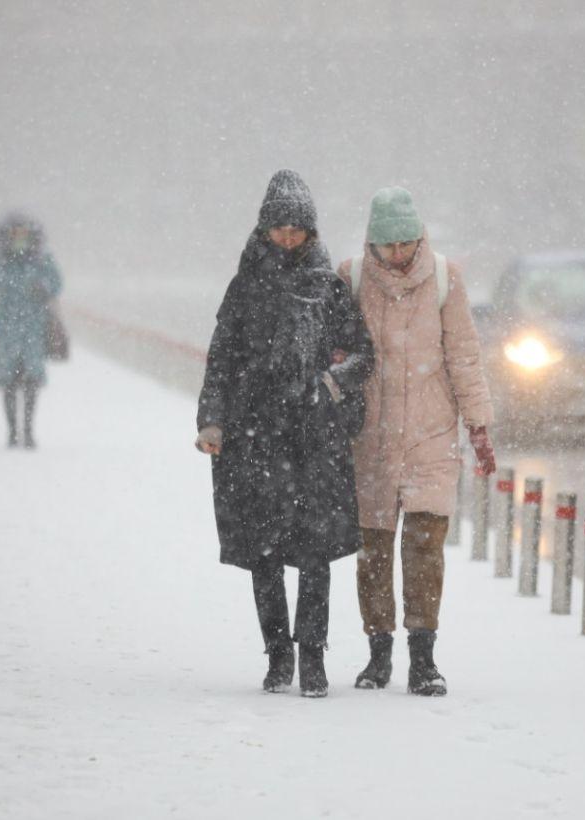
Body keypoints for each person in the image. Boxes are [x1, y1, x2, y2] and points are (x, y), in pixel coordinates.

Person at [196, 170, 374, 698]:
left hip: (314, 439)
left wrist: (329, 381)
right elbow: (221, 359)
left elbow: (363, 354)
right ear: (264, 229)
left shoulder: (329, 288)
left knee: (315, 553)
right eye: (281, 228)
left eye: (299, 228)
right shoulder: (244, 286)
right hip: (255, 440)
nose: (290, 236)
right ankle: (277, 655)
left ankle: (312, 657)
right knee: (265, 552)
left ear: (312, 231)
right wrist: (212, 420)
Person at [338, 187, 495, 696]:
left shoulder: (446, 280)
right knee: (374, 549)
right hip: (372, 437)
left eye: (407, 243)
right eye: (390, 246)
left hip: (430, 435)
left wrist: (478, 425)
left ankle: (423, 658)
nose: (400, 254)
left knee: (426, 547)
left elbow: (464, 355)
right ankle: (377, 654)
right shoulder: (352, 278)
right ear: (373, 244)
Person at [0, 212, 64, 448]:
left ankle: (29, 429)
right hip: (7, 327)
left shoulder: (43, 260)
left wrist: (44, 288)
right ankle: (13, 430)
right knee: (9, 381)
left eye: (24, 233)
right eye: (16, 233)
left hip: (34, 326)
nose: (20, 238)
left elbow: (57, 283)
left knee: (32, 380)